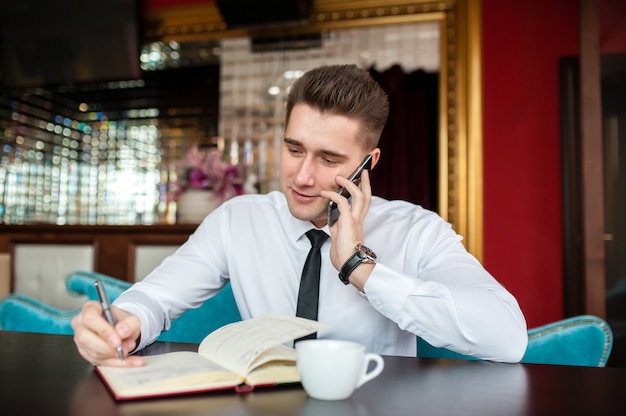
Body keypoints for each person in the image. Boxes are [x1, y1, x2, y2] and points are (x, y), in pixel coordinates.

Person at [72, 64, 528, 367]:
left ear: (369, 162)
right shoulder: (238, 220)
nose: (302, 176)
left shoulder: (418, 231)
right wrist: (125, 321)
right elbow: (156, 298)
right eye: (293, 150)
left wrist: (360, 268)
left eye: (329, 159)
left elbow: (507, 338)